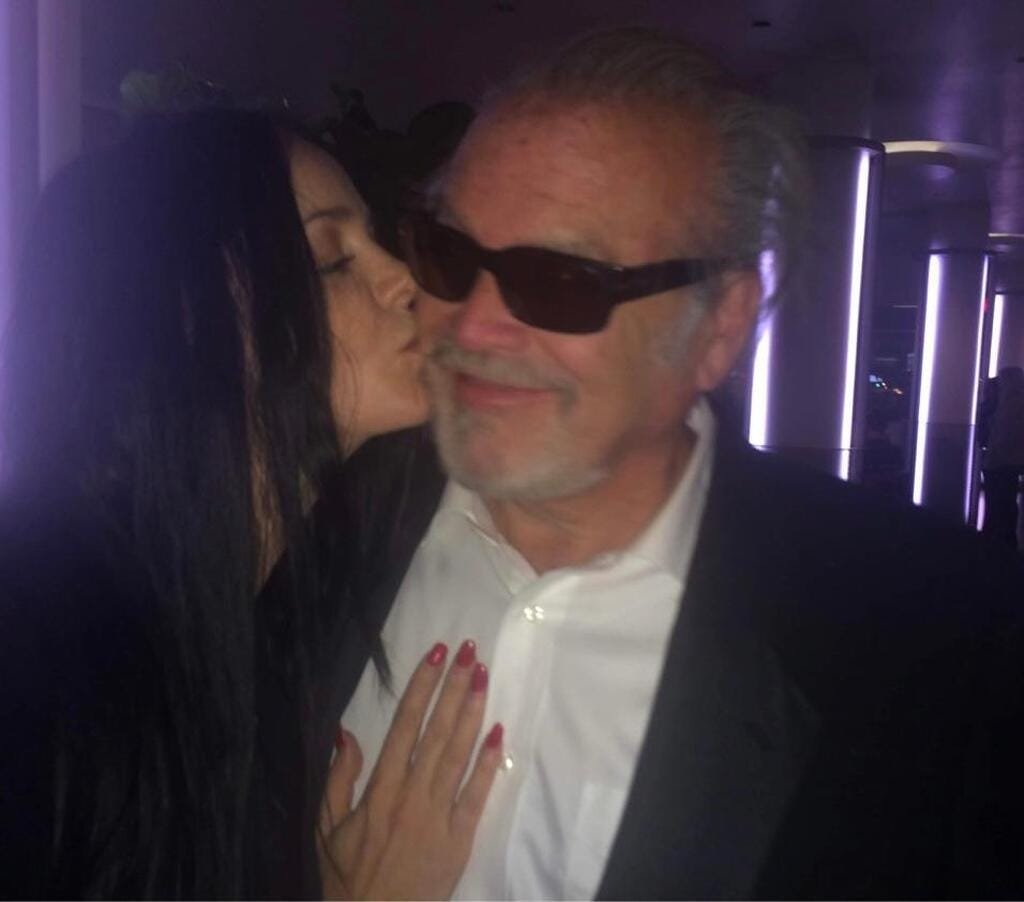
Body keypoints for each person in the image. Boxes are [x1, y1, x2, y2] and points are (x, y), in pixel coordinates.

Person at [339, 28, 1024, 899]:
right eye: (450, 254)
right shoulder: (323, 520)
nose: (471, 325)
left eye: (562, 279)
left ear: (721, 325)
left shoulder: (938, 640)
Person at [0, 109, 502, 899]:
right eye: (333, 260)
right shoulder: (38, 675)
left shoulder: (274, 616)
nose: (403, 280)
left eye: (373, 240)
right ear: (183, 323)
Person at [982, 366, 1024, 550]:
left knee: (996, 503)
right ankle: (1006, 541)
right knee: (1007, 503)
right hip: (1010, 462)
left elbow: (993, 435)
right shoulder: (1015, 405)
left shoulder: (1002, 406)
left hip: (996, 461)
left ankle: (993, 540)